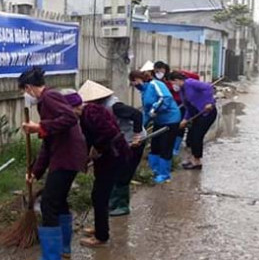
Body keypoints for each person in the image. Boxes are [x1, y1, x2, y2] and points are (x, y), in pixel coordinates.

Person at [19, 67, 88, 260]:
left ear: (29, 88)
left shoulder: (49, 97)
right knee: (59, 201)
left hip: (66, 158)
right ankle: (64, 248)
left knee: (49, 203)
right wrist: (35, 172)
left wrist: (39, 126)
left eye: (23, 90)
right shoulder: (47, 101)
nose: (25, 95)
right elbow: (48, 144)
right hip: (67, 156)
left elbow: (70, 118)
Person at [68, 84, 129, 248]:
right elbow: (89, 139)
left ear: (73, 107)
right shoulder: (87, 113)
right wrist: (85, 158)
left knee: (99, 196)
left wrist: (98, 149)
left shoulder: (92, 112)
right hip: (108, 157)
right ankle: (100, 228)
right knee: (99, 194)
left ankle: (101, 236)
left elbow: (108, 133)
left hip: (114, 156)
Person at [77, 81, 147, 217]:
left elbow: (137, 115)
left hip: (132, 142)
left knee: (123, 174)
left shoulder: (115, 106)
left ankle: (121, 206)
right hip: (119, 141)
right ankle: (112, 203)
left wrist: (137, 135)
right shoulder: (93, 111)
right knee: (115, 173)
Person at [129, 70, 181, 184]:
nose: (134, 86)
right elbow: (146, 113)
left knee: (165, 146)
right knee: (155, 146)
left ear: (138, 79)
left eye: (134, 82)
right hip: (159, 120)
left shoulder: (155, 84)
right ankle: (155, 171)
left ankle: (164, 175)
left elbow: (165, 98)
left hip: (170, 120)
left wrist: (155, 109)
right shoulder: (144, 92)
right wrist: (139, 129)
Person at [169, 71, 217, 170]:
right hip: (197, 114)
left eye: (172, 83)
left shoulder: (190, 83)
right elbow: (189, 107)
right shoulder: (182, 91)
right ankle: (194, 159)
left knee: (197, 136)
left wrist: (209, 102)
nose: (173, 86)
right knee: (191, 137)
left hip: (207, 112)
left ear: (177, 80)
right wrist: (185, 119)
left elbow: (208, 87)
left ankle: (197, 161)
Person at [153, 61, 200, 155]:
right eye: (156, 71)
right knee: (170, 126)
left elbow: (196, 77)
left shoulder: (176, 75)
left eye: (160, 70)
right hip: (169, 107)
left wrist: (183, 79)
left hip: (181, 104)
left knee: (181, 125)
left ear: (165, 69)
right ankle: (168, 146)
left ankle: (176, 148)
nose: (159, 73)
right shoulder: (159, 82)